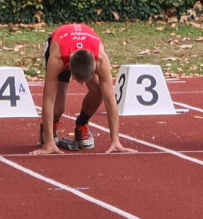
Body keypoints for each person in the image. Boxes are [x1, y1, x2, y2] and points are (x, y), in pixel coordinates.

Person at [32, 23, 130, 155]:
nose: (82, 83)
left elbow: (110, 100)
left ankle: (82, 124)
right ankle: (50, 128)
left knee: (99, 91)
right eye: (79, 80)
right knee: (59, 106)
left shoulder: (101, 59)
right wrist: (48, 143)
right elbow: (48, 99)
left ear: (94, 66)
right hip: (61, 43)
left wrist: (115, 140)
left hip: (85, 44)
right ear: (69, 69)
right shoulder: (57, 59)